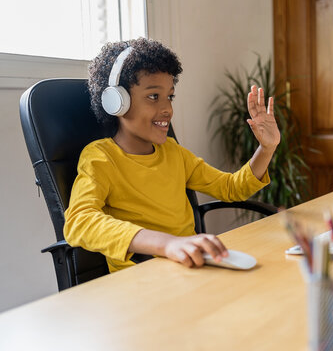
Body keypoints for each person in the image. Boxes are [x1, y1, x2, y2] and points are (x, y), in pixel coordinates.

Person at [64, 38, 280, 273]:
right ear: (117, 102)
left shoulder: (174, 152)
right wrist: (167, 244)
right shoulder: (101, 158)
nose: (167, 108)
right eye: (154, 96)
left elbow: (231, 188)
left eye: (170, 96)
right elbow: (79, 221)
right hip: (142, 277)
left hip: (192, 265)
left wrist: (266, 148)